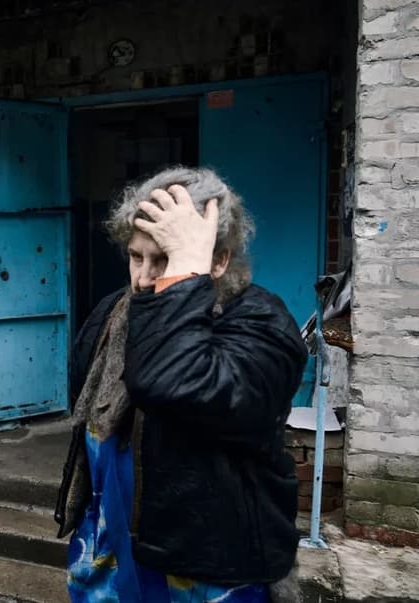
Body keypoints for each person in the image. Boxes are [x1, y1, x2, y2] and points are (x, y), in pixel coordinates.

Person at [54, 167, 307, 602]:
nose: (145, 278)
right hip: (111, 553)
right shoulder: (114, 314)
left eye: (166, 258)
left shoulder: (263, 323)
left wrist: (184, 278)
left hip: (209, 568)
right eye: (137, 257)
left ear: (219, 259)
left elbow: (173, 383)